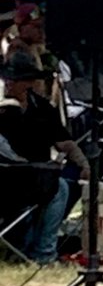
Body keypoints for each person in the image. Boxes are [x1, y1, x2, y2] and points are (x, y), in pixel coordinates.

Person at [0, 52, 90, 263]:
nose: (10, 84)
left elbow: (63, 142)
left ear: (29, 82)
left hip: (36, 177)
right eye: (9, 79)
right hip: (4, 177)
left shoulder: (42, 107)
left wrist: (84, 163)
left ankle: (44, 252)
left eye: (17, 79)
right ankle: (22, 246)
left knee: (62, 187)